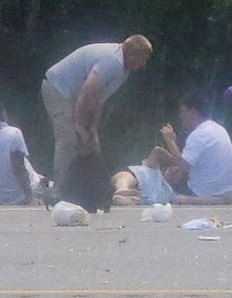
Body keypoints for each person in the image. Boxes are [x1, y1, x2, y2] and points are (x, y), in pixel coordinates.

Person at [42, 35, 152, 193]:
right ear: (133, 55)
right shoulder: (112, 62)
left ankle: (92, 190)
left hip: (76, 95)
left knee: (91, 142)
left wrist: (91, 128)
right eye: (144, 59)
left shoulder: (123, 71)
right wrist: (80, 125)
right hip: (58, 88)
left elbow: (98, 100)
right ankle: (60, 190)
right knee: (68, 140)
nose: (144, 64)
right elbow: (86, 92)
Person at [175, 89, 232, 203]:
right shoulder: (218, 129)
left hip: (204, 194)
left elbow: (181, 171)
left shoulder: (198, 135)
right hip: (228, 192)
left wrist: (170, 142)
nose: (180, 116)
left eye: (182, 111)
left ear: (193, 112)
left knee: (166, 194)